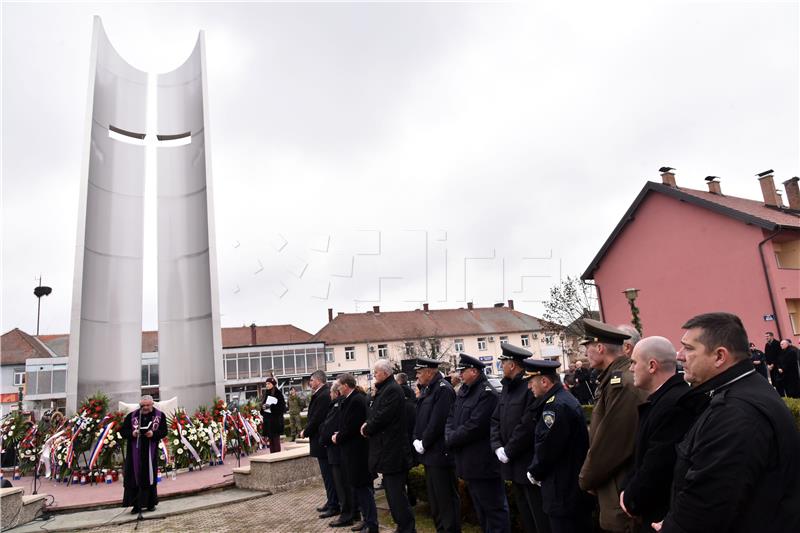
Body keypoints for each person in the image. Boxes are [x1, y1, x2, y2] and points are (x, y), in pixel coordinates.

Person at [657, 312, 800, 532]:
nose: (680, 355)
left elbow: (709, 505)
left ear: (719, 356)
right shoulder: (743, 391)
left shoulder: (737, 413)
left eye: (689, 348)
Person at [578, 318, 647, 533]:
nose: (585, 353)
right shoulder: (612, 379)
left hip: (621, 487)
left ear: (599, 347)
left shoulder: (622, 383)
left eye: (587, 347)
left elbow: (611, 443)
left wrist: (587, 479)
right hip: (615, 485)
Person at [620, 337, 694, 532]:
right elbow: (642, 457)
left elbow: (658, 467)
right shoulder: (662, 400)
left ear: (652, 366)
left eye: (634, 362)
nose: (631, 368)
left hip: (662, 517)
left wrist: (630, 498)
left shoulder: (674, 405)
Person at [523, 359, 592, 533]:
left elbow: (548, 447)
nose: (529, 387)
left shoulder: (555, 406)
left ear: (544, 381)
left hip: (562, 488)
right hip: (568, 486)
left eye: (531, 382)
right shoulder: (561, 399)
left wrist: (535, 470)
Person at [446, 353, 511, 533]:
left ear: (474, 371)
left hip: (483, 463)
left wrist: (451, 438)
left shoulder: (486, 393)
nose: (459, 374)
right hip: (469, 463)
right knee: (482, 511)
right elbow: (451, 417)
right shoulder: (464, 391)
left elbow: (475, 426)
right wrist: (449, 434)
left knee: (494, 510)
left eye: (463, 371)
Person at [490, 343, 542, 533]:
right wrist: (497, 447)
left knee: (537, 515)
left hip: (526, 462)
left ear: (512, 365)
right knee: (525, 514)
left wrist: (509, 450)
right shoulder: (506, 388)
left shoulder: (529, 387)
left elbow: (527, 425)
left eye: (503, 362)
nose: (500, 366)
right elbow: (495, 419)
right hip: (510, 463)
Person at [361, 360, 416, 533]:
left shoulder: (392, 390)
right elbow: (374, 413)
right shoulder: (385, 389)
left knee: (397, 496)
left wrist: (367, 428)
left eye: (376, 372)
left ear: (385, 373)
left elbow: (383, 416)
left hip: (394, 452)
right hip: (387, 451)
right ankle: (403, 527)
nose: (374, 375)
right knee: (392, 496)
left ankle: (407, 528)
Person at [413, 357, 460, 533]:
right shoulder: (428, 389)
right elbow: (420, 418)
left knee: (446, 500)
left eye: (419, 372)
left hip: (441, 454)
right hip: (430, 455)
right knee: (436, 502)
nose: (417, 376)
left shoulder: (443, 390)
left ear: (429, 372)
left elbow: (438, 422)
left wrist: (424, 442)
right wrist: (416, 439)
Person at [333, 373, 378, 533]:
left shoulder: (356, 400)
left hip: (358, 452)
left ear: (346, 385)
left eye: (339, 385)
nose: (337, 388)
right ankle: (366, 520)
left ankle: (371, 524)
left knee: (363, 489)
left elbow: (352, 427)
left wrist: (338, 436)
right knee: (358, 488)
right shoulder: (349, 400)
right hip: (351, 451)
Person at [320, 382, 360, 527]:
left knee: (343, 486)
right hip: (336, 450)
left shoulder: (339, 405)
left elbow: (330, 426)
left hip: (337, 450)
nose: (330, 395)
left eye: (331, 393)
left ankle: (347, 515)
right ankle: (351, 512)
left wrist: (323, 437)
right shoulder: (339, 404)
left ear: (336, 393)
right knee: (343, 485)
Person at [120, 395, 168, 514]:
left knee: (149, 477)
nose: (145, 407)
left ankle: (150, 503)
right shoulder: (132, 416)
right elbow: (123, 432)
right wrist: (133, 433)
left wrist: (154, 434)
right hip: (134, 451)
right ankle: (136, 506)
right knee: (134, 478)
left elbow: (164, 431)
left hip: (150, 451)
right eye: (143, 405)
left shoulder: (160, 415)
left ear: (152, 404)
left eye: (148, 405)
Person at [301, 370, 338, 518]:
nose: (310, 383)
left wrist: (306, 431)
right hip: (320, 440)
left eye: (311, 380)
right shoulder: (321, 394)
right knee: (327, 475)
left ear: (318, 380)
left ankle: (334, 504)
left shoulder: (323, 395)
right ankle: (331, 501)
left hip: (322, 440)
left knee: (329, 475)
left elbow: (317, 418)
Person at [396, 372, 419, 507]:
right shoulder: (412, 405)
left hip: (404, 442)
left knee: (404, 474)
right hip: (412, 440)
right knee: (411, 470)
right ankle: (412, 497)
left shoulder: (399, 406)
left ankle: (408, 499)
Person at [261, 377, 286, 453]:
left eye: (269, 384)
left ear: (273, 384)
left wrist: (271, 407)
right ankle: (272, 456)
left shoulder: (278, 393)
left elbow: (282, 407)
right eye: (266, 384)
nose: (267, 385)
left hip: (276, 422)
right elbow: (263, 407)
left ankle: (277, 456)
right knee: (271, 441)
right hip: (268, 421)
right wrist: (263, 408)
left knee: (276, 440)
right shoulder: (266, 393)